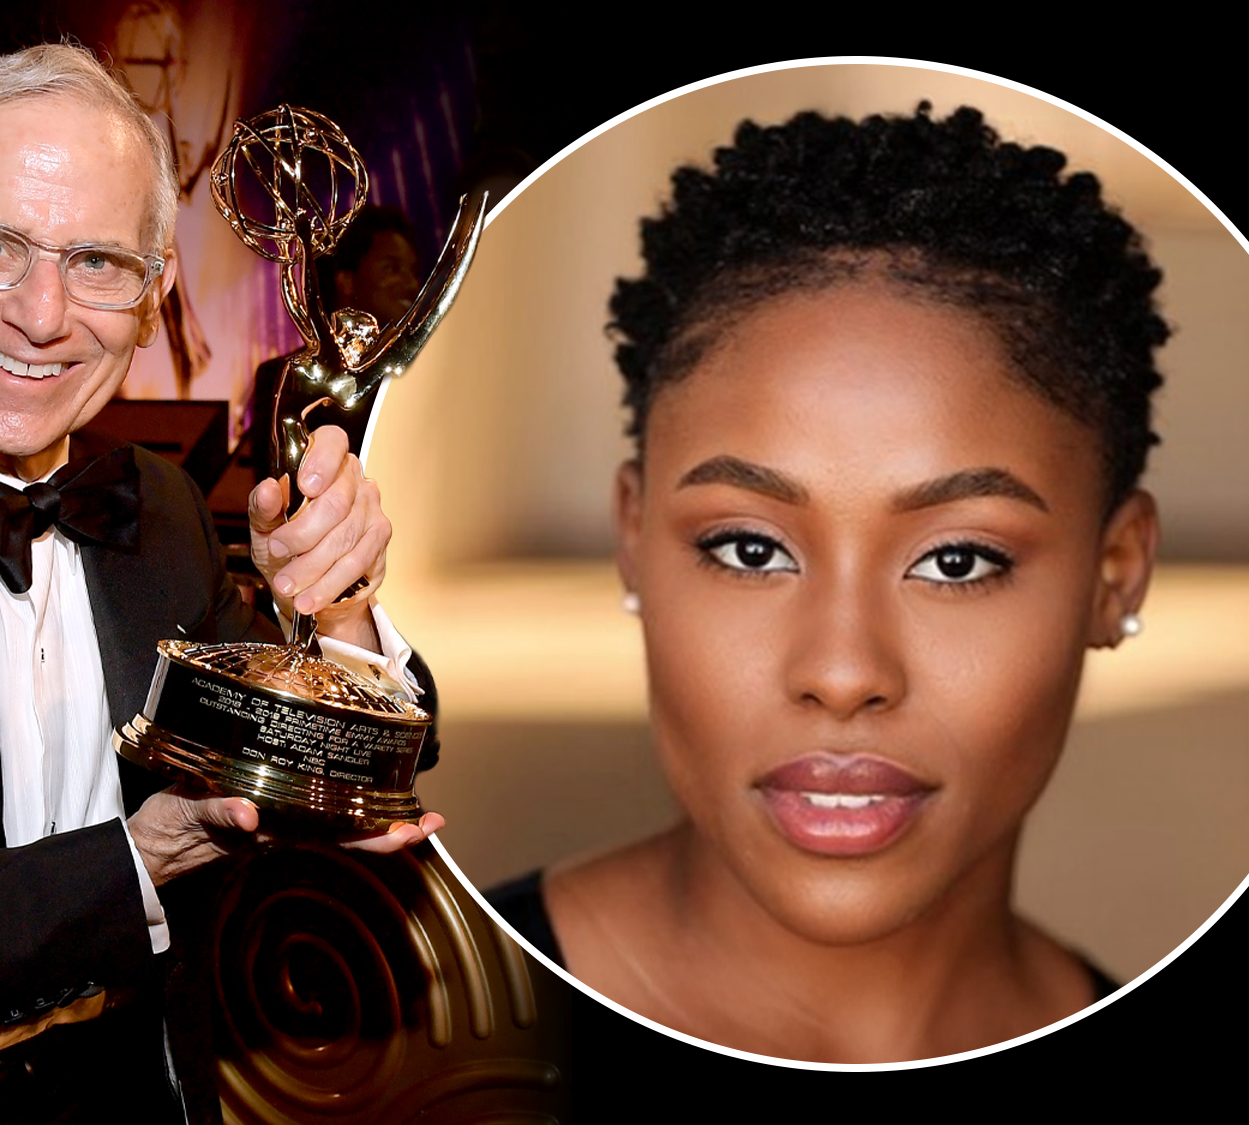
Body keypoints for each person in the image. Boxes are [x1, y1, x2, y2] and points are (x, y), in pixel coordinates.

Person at [0, 45, 440, 1123]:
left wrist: (334, 598)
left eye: (98, 263)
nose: (42, 315)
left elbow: (300, 787)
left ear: (153, 296)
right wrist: (141, 857)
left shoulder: (157, 509)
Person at [487, 104, 1162, 1064]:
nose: (843, 674)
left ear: (1115, 574)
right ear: (633, 538)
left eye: (958, 560)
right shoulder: (377, 1032)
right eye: (748, 549)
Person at [242, 206, 422, 481]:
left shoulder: (418, 376)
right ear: (346, 281)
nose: (411, 284)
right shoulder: (285, 376)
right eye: (392, 268)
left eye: (413, 270)